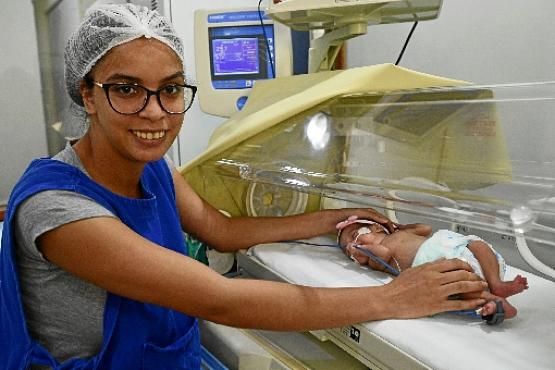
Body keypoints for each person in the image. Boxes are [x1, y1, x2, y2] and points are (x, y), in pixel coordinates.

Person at [0, 3, 488, 369]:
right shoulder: (59, 208)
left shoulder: (155, 170)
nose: (155, 112)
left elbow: (222, 231)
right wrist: (392, 298)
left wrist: (333, 218)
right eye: (127, 89)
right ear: (87, 93)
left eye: (170, 89)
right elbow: (221, 299)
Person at [337, 216, 529, 321]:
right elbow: (384, 253)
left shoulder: (398, 234)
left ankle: (496, 283)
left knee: (479, 246)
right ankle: (495, 302)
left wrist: (403, 226)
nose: (353, 244)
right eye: (349, 250)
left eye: (357, 234)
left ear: (377, 228)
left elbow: (425, 228)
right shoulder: (375, 258)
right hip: (434, 264)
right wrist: (363, 250)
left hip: (452, 246)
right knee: (461, 285)